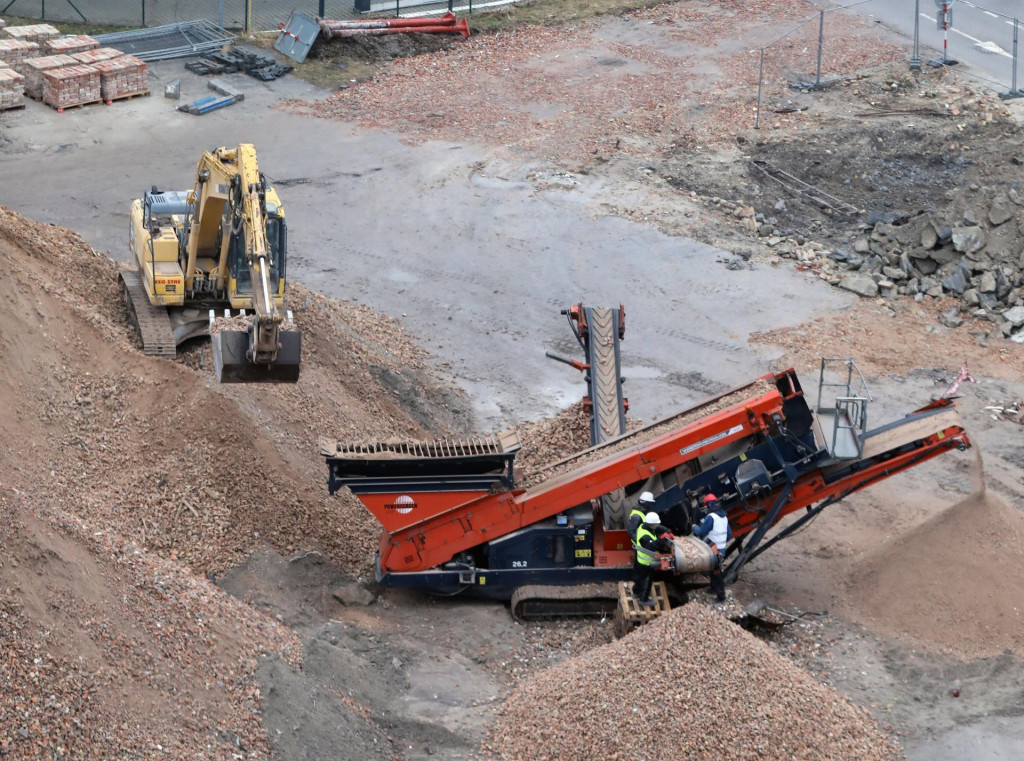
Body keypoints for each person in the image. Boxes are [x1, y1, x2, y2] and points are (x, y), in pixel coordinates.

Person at [692, 493, 732, 602]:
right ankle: (713, 588)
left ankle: (721, 597)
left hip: (714, 550)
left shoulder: (711, 517)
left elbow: (701, 532)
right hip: (720, 550)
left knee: (717, 573)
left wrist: (694, 526)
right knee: (713, 569)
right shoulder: (724, 517)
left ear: (709, 505)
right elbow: (729, 534)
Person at [632, 511, 674, 607]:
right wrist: (662, 539)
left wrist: (667, 531)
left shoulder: (645, 526)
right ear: (651, 524)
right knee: (646, 580)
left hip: (640, 560)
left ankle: (635, 593)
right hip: (646, 562)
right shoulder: (645, 536)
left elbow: (658, 527)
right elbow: (651, 547)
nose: (657, 526)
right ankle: (643, 599)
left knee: (639, 578)